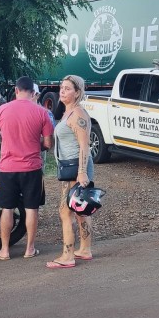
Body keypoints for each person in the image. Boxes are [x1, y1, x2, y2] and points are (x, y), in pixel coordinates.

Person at [0, 76, 54, 260]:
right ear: (33, 93)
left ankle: (5, 250)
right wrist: (34, 143)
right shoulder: (42, 113)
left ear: (16, 91)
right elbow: (48, 143)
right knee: (32, 208)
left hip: (8, 168)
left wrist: (9, 138)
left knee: (7, 208)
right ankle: (29, 249)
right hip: (32, 168)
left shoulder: (2, 109)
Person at [46, 74, 95, 269]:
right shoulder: (68, 112)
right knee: (81, 210)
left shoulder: (78, 115)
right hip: (71, 167)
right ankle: (85, 249)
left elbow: (85, 146)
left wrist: (82, 173)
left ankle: (67, 255)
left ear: (77, 93)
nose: (62, 91)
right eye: (62, 88)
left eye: (67, 88)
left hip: (77, 167)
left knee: (65, 211)